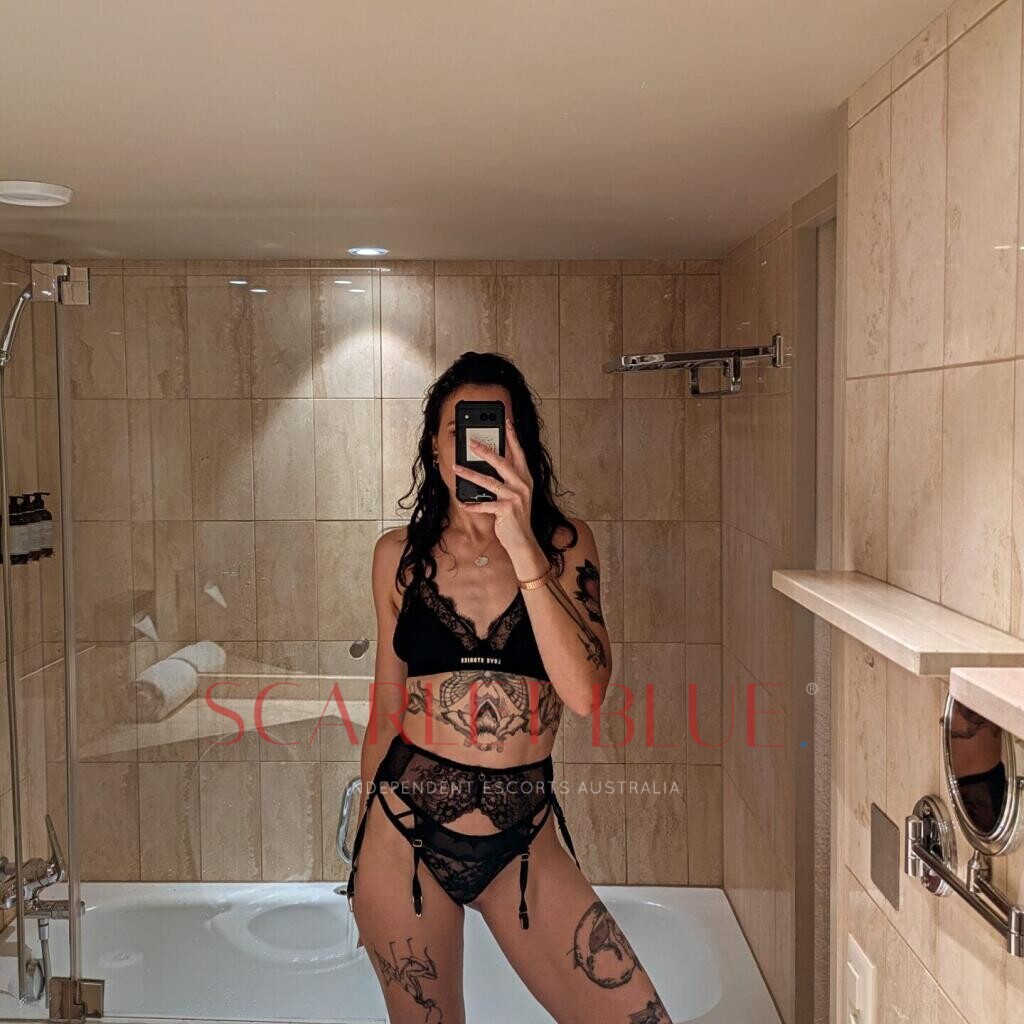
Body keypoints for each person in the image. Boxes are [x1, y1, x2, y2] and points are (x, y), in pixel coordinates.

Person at [346, 351, 670, 1024]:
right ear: (435, 447)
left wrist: (520, 541)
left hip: (523, 840)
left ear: (519, 445)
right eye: (459, 431)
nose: (478, 450)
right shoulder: (397, 559)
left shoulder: (565, 547)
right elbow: (386, 711)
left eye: (496, 432)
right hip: (402, 838)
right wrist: (359, 852)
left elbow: (586, 694)